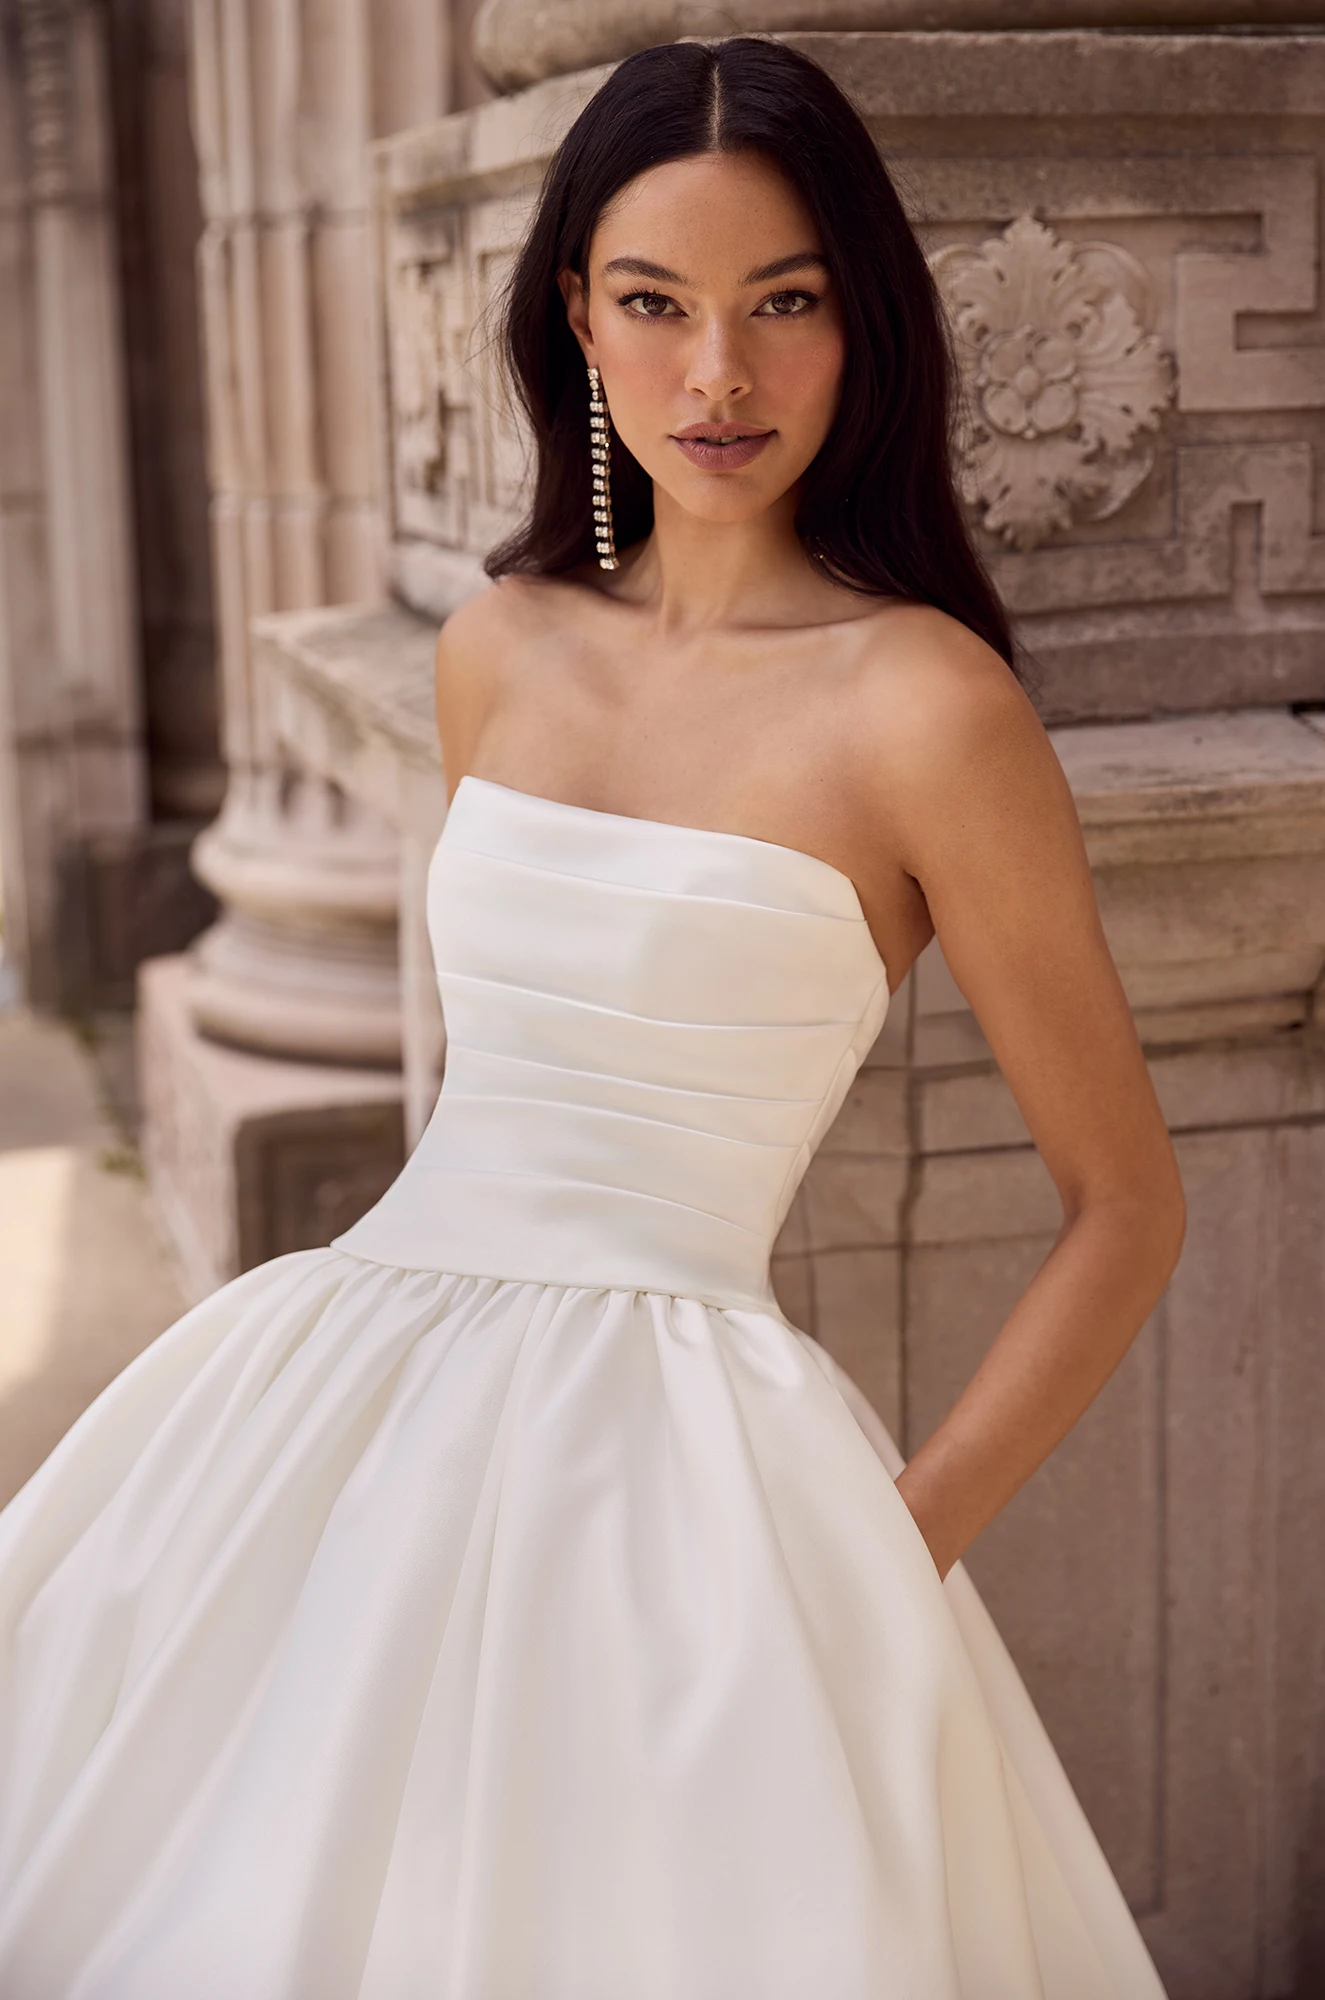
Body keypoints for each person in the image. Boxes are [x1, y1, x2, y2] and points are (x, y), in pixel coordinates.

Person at [0, 36, 1183, 2000]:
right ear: (576, 319)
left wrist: (888, 1546)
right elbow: (503, 1077)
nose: (715, 377)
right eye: (655, 306)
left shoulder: (927, 707)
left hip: (690, 1466)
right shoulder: (497, 647)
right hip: (355, 1376)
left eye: (781, 307)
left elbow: (1123, 1200)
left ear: (860, 324)